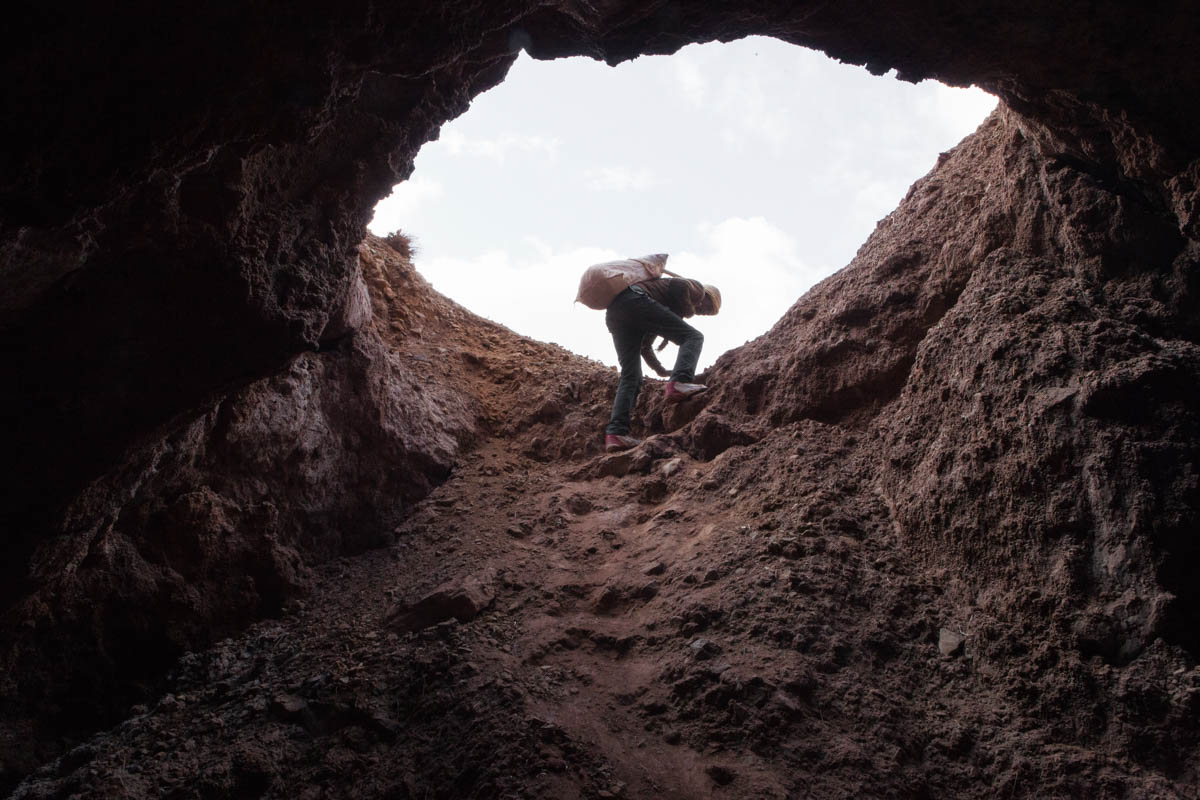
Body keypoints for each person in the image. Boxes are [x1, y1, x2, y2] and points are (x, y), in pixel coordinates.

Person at [604, 276, 721, 452]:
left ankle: (616, 434)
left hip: (617, 311)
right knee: (694, 337)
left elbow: (645, 347)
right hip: (635, 300)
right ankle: (680, 382)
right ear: (707, 296)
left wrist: (661, 370)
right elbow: (678, 285)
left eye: (708, 313)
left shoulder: (656, 308)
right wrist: (686, 312)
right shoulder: (697, 289)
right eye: (708, 307)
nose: (704, 312)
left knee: (632, 376)